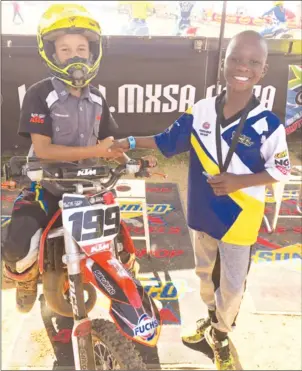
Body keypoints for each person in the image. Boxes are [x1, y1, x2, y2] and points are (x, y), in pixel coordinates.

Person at [111, 30, 291, 370]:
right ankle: (211, 321)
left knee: (233, 286)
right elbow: (168, 139)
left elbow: (280, 170)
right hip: (204, 212)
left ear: (264, 71)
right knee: (205, 275)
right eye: (236, 58)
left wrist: (241, 181)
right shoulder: (202, 110)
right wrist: (129, 141)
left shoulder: (268, 123)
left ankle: (221, 335)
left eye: (254, 62)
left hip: (241, 217)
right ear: (223, 62)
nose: (243, 67)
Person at [1, 4, 144, 314]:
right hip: (49, 184)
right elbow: (43, 151)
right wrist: (96, 151)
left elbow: (111, 142)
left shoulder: (97, 97)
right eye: (65, 49)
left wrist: (131, 159)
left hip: (89, 187)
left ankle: (125, 287)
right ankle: (25, 280)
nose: (75, 55)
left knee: (121, 241)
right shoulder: (40, 94)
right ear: (51, 54)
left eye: (81, 47)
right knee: (18, 243)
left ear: (93, 52)